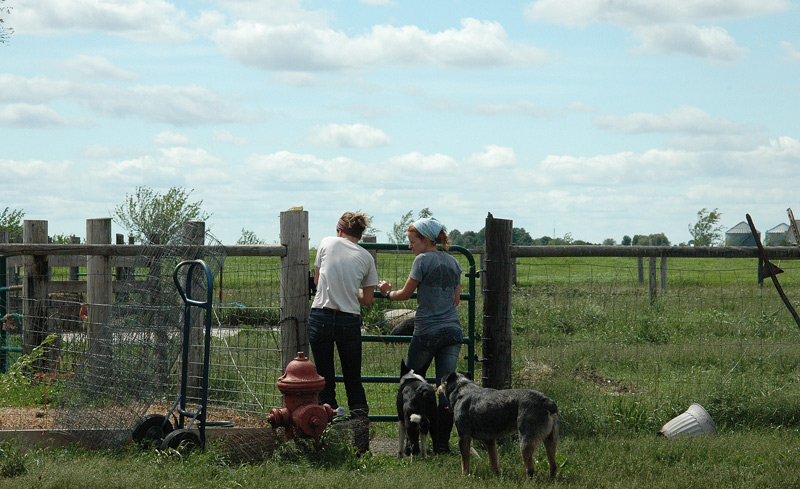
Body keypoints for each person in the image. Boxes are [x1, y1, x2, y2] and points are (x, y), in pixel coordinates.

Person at [378, 216, 462, 453]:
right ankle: (441, 446)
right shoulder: (455, 263)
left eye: (412, 241)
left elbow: (405, 294)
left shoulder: (422, 261)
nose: (409, 246)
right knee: (445, 387)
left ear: (426, 240)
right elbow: (456, 300)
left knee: (411, 384)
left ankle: (411, 444)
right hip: (452, 331)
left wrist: (386, 293)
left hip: (427, 331)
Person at [308, 212, 378, 422]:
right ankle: (360, 430)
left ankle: (329, 426)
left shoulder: (327, 243)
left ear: (339, 230)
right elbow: (367, 299)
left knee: (324, 378)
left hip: (321, 315)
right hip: (349, 320)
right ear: (360, 235)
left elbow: (318, 280)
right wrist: (352, 289)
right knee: (353, 378)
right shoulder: (366, 257)